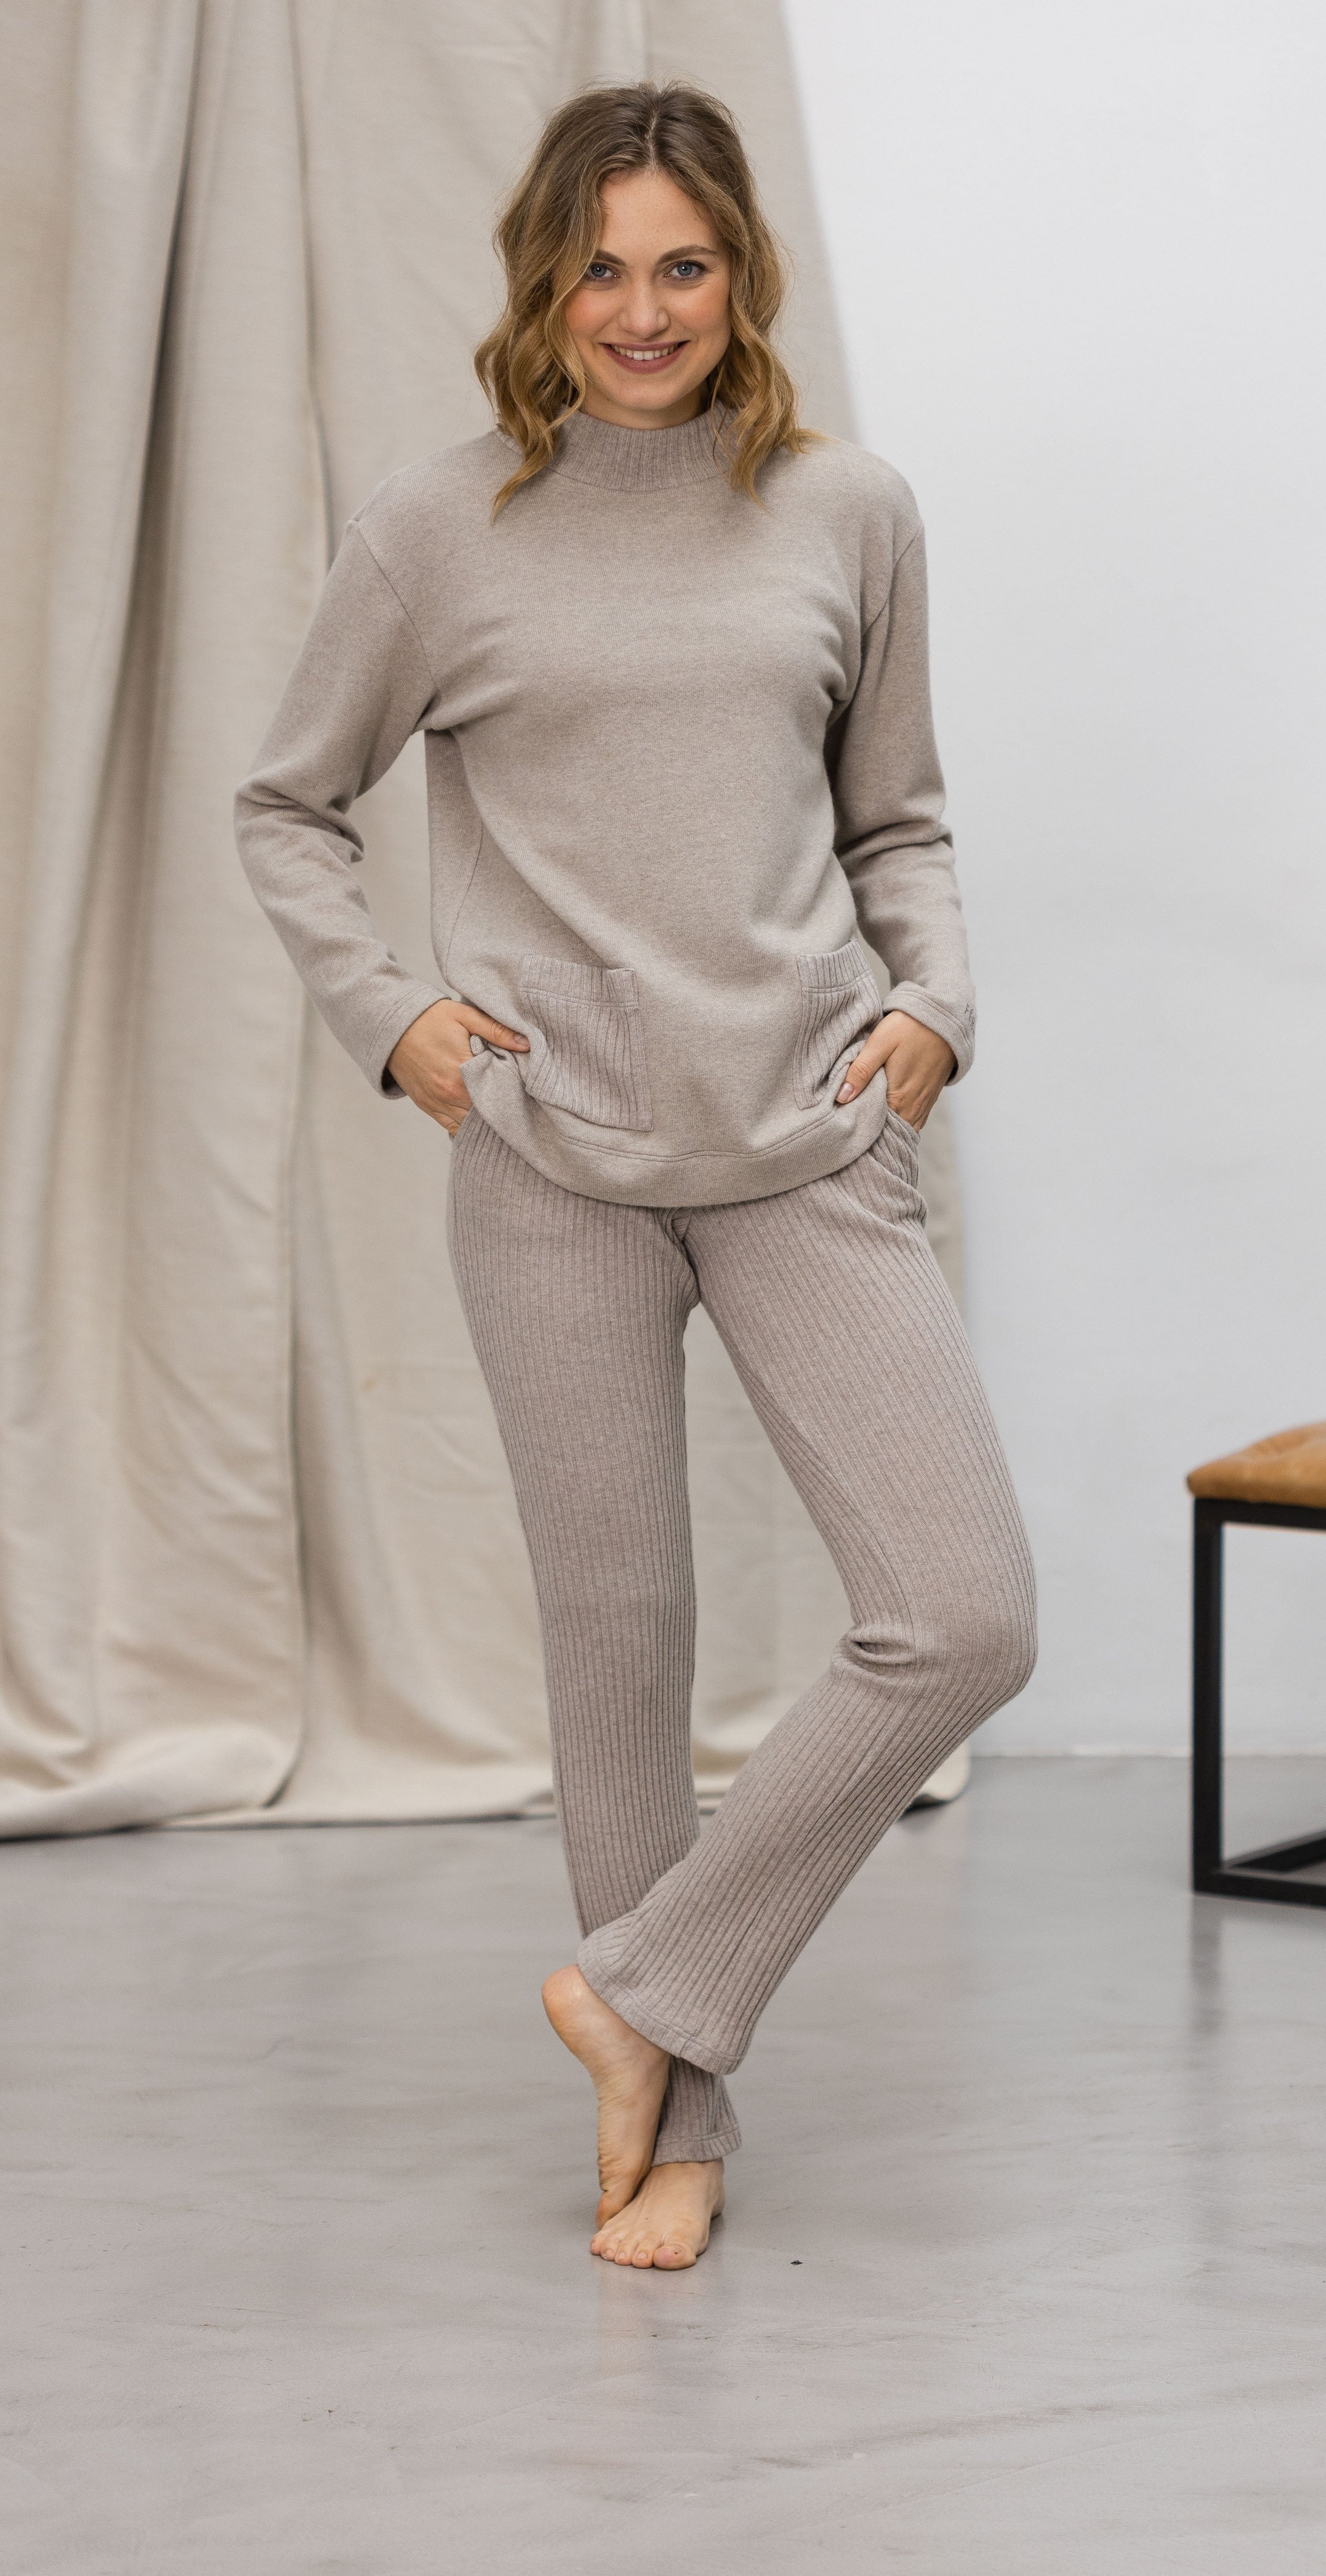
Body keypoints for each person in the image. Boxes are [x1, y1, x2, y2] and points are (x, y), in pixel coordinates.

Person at [235, 81, 1035, 2270]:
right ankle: (673, 2130)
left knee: (959, 1612)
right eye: (601, 268)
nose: (643, 309)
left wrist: (934, 1005)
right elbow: (287, 804)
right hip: (551, 1157)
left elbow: (899, 815)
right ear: (543, 279)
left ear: (741, 273)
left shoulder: (848, 510)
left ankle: (645, 1989)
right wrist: (393, 1017)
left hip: (806, 1133)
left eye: (684, 265)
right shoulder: (437, 529)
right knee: (620, 1648)